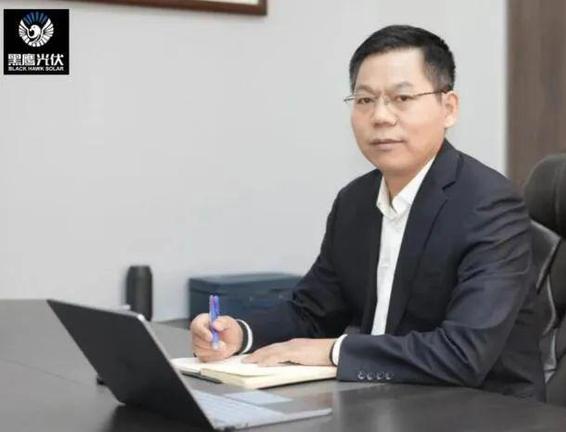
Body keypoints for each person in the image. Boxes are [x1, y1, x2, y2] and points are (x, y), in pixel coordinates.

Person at [191, 24, 544, 399]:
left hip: (482, 411)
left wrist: (334, 352)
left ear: (449, 108)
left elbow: (463, 354)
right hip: (382, 401)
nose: (380, 116)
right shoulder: (355, 202)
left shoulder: (488, 204)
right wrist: (240, 334)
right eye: (364, 100)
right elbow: (311, 311)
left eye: (402, 98)